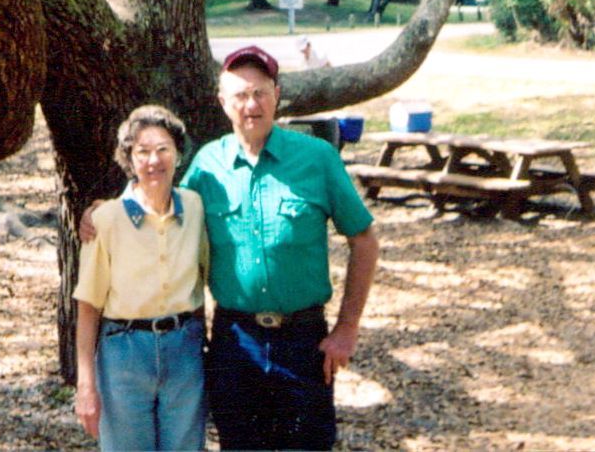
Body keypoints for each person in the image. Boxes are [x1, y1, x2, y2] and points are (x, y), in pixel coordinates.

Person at [80, 46, 378, 450]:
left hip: (303, 339)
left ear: (277, 95)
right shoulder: (209, 164)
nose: (251, 105)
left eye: (260, 93)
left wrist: (347, 328)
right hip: (235, 341)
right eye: (240, 95)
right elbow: (162, 202)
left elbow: (364, 240)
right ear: (223, 102)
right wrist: (107, 210)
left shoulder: (317, 158)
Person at [73, 105, 208, 451]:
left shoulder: (194, 207)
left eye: (163, 149)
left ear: (178, 154)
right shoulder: (106, 220)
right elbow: (88, 307)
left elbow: (202, 278)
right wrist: (86, 386)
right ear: (129, 160)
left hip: (184, 348)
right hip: (125, 352)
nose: (154, 160)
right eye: (142, 152)